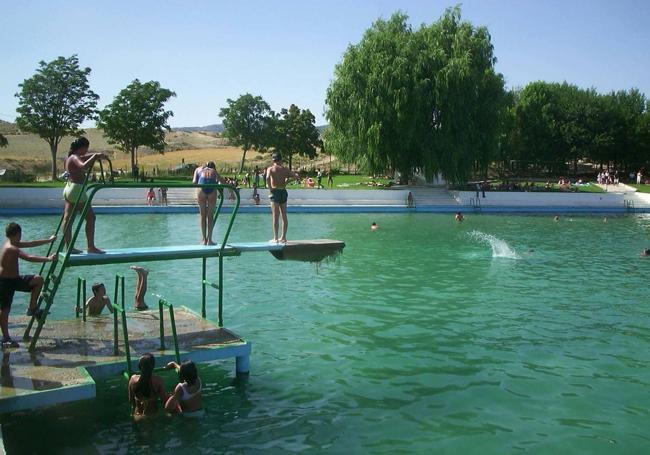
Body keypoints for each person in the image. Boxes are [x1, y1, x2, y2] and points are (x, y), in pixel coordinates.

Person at [0, 223, 56, 347]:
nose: (21, 237)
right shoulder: (11, 248)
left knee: (38, 280)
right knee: (5, 310)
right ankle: (6, 338)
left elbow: (30, 243)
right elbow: (29, 257)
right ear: (16, 234)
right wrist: (48, 259)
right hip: (5, 282)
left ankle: (32, 308)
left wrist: (48, 240)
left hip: (15, 279)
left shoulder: (12, 243)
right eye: (20, 235)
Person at [62, 137, 107, 254]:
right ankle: (91, 247)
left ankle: (69, 247)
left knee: (68, 219)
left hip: (69, 188)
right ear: (82, 147)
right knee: (91, 218)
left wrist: (96, 155)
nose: (87, 151)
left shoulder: (70, 157)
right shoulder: (75, 157)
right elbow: (83, 166)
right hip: (77, 190)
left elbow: (82, 158)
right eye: (86, 149)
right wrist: (95, 157)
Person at [266, 152, 300, 243]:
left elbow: (267, 178)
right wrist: (286, 182)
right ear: (280, 159)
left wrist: (270, 188)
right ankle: (283, 237)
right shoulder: (285, 169)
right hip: (283, 192)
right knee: (284, 215)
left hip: (275, 192)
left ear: (273, 160)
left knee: (275, 216)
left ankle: (276, 238)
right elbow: (297, 176)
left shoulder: (271, 169)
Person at [193, 162, 226, 245]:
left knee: (202, 215)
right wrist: (231, 191)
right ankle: (210, 240)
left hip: (202, 189)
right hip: (212, 189)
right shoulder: (213, 171)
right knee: (210, 216)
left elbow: (194, 182)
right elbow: (222, 181)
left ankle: (204, 240)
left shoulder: (197, 169)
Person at [128, 353, 167, 418]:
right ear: (153, 366)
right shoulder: (158, 381)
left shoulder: (133, 379)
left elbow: (131, 400)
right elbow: (164, 401)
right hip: (153, 415)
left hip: (137, 415)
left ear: (139, 366)